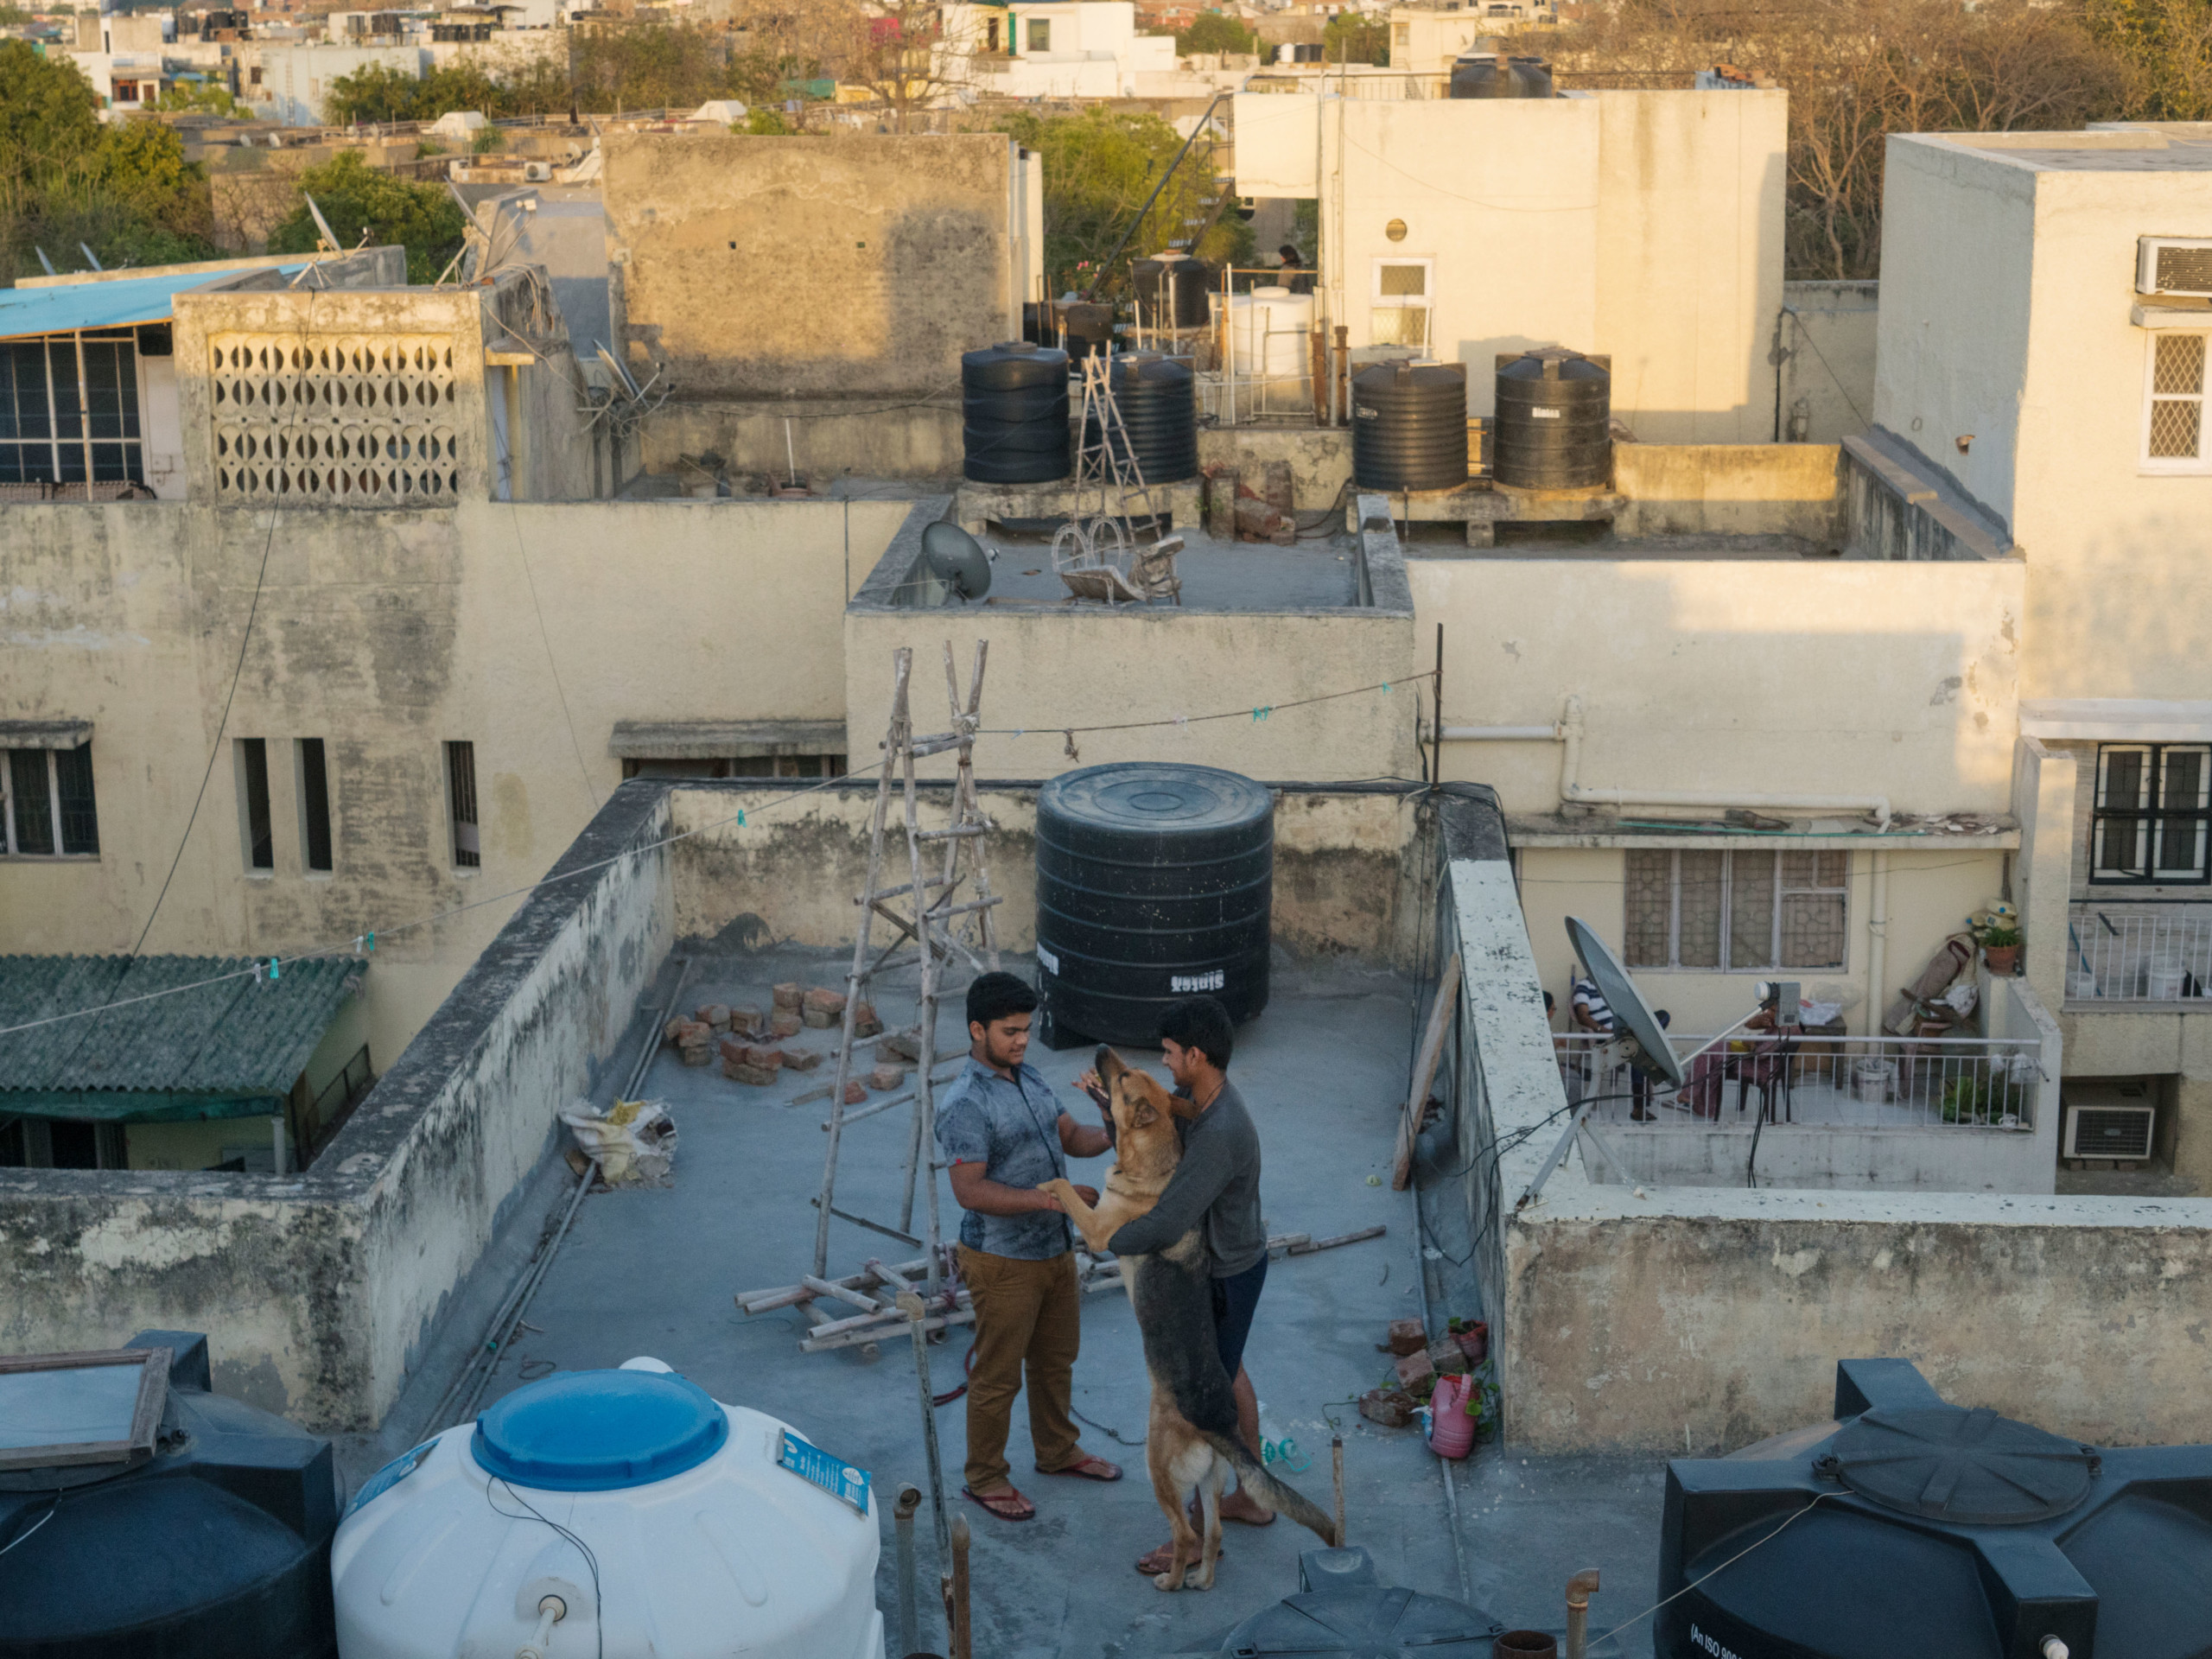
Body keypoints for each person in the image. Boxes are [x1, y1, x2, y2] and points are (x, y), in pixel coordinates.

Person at [1087, 996, 1270, 1578]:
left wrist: (1105, 1237)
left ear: (1195, 1054)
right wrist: (1112, 1105)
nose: (1163, 1063)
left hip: (1224, 1270)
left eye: (1168, 1054)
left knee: (1192, 1398)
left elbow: (1167, 1220)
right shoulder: (1208, 1102)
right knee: (1230, 1370)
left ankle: (1189, 1535)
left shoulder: (1219, 1132)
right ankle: (1255, 1496)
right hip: (1237, 1260)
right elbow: (1170, 1118)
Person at [936, 972, 1122, 1522]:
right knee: (997, 1376)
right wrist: (1052, 1201)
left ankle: (1057, 1451)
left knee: (1055, 1360)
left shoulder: (1029, 1076)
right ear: (977, 1029)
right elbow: (968, 1190)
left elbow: (1073, 1139)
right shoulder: (965, 1103)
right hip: (1001, 1259)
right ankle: (985, 1478)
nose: (1022, 1040)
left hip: (1054, 1251)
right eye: (1011, 1031)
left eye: (1027, 1029)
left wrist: (1112, 1118)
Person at [1570, 968, 1669, 1120]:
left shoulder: (1612, 986)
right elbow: (1583, 1016)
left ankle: (1640, 1039)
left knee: (1663, 1016)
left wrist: (1625, 984)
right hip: (1608, 1035)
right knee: (1637, 1048)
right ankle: (1639, 1108)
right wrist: (1602, 1030)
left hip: (1628, 1030)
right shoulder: (1585, 986)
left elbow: (1633, 1009)